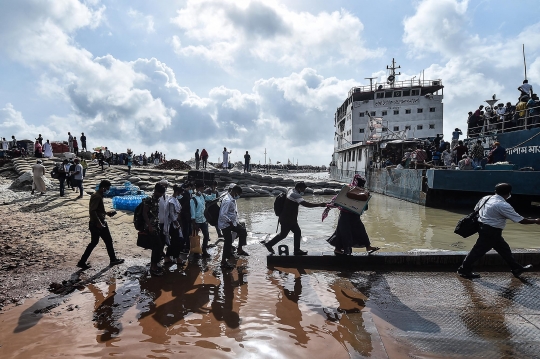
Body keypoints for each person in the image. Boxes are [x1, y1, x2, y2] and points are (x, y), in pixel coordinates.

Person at [457, 183, 540, 279]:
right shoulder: (503, 205)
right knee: (478, 251)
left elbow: (476, 209)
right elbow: (520, 220)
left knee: (504, 249)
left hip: (483, 227)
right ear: (509, 193)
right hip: (491, 231)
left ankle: (516, 268)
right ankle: (463, 269)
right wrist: (536, 221)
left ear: (495, 191)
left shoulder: (486, 198)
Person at [264, 182, 327, 255]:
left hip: (289, 218)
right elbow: (305, 204)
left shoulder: (291, 190)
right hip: (287, 219)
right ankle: (269, 244)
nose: (304, 190)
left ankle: (296, 250)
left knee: (297, 232)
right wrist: (319, 204)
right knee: (284, 235)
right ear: (299, 188)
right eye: (303, 188)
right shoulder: (295, 195)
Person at [324, 175, 379, 255]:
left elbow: (337, 200)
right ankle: (343, 249)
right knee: (344, 232)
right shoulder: (353, 190)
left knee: (358, 230)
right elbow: (338, 200)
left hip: (351, 215)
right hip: (346, 215)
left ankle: (366, 247)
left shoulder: (351, 190)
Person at [77, 180, 124, 270]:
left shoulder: (98, 196)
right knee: (108, 241)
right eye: (107, 188)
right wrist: (99, 223)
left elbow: (97, 210)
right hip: (98, 224)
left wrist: (106, 213)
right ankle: (113, 259)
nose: (108, 190)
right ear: (103, 188)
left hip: (96, 223)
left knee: (94, 242)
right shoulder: (97, 196)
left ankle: (82, 262)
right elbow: (92, 211)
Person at [218, 185, 249, 269]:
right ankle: (223, 262)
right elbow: (222, 215)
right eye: (238, 194)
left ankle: (239, 249)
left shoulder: (231, 197)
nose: (238, 196)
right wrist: (230, 222)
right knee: (227, 242)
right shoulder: (227, 200)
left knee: (242, 231)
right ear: (235, 193)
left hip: (232, 222)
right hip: (225, 224)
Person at [143, 183, 167, 276]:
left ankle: (154, 264)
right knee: (157, 246)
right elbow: (144, 213)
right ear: (156, 191)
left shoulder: (157, 200)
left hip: (156, 227)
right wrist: (149, 226)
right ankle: (153, 267)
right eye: (160, 193)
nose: (161, 195)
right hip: (150, 227)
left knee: (157, 246)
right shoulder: (148, 200)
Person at [190, 181, 216, 257]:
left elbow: (212, 197)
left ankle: (204, 250)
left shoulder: (203, 196)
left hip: (203, 220)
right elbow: (193, 212)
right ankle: (196, 251)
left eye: (203, 188)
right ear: (197, 188)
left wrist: (213, 189)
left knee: (206, 236)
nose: (202, 190)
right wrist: (194, 224)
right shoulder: (193, 199)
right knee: (195, 236)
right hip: (197, 221)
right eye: (201, 188)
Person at [164, 185, 184, 264]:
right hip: (172, 224)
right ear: (177, 192)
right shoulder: (171, 201)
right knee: (176, 241)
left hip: (176, 222)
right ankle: (176, 257)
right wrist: (177, 223)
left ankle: (168, 256)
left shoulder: (175, 199)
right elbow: (172, 214)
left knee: (174, 241)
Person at [179, 182, 193, 253]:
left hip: (188, 215)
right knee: (185, 232)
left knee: (189, 231)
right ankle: (182, 247)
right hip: (185, 215)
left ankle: (188, 246)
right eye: (190, 188)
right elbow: (183, 206)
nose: (191, 189)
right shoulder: (184, 194)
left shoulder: (189, 194)